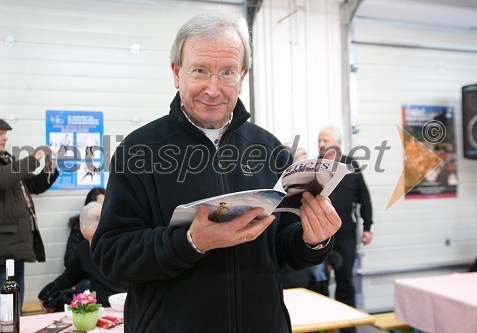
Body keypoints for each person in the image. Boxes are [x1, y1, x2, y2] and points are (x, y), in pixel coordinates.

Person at [91, 13, 342, 332]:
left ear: (242, 75)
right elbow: (111, 255)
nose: (213, 89)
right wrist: (191, 242)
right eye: (200, 71)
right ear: (176, 72)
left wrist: (313, 240)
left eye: (227, 72)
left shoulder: (269, 148)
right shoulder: (139, 150)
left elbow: (280, 251)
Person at [0, 116, 58, 318]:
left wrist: (50, 168)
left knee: (13, 307)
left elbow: (33, 186)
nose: (5, 138)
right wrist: (33, 158)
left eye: (5, 134)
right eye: (0, 133)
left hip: (13, 248)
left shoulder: (5, 160)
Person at [318, 125, 374, 333]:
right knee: (320, 284)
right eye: (319, 141)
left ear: (338, 144)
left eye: (326, 140)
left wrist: (368, 227)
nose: (321, 144)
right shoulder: (313, 166)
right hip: (318, 235)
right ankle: (323, 328)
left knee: (345, 283)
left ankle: (348, 329)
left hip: (346, 236)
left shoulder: (352, 165)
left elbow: (364, 199)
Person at [39, 201, 126, 311]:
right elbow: (69, 276)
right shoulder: (84, 248)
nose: (91, 245)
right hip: (97, 310)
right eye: (87, 239)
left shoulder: (125, 246)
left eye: (95, 239)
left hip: (125, 307)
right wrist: (46, 295)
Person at [64, 187, 106, 268]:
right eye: (99, 203)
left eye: (105, 204)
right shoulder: (80, 226)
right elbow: (69, 259)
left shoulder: (113, 225)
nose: (102, 208)